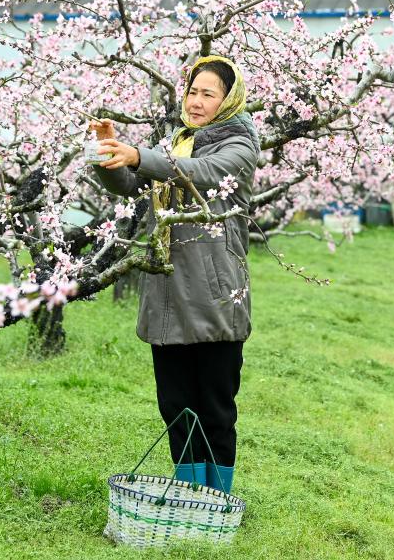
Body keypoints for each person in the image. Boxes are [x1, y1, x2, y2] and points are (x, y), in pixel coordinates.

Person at [89, 55, 260, 493]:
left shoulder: (239, 145)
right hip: (166, 288)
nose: (197, 101)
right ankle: (189, 495)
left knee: (216, 408)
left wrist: (141, 155)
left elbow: (201, 173)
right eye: (192, 91)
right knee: (176, 405)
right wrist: (109, 155)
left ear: (228, 101)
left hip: (215, 294)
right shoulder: (174, 143)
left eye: (209, 94)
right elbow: (131, 186)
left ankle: (217, 501)